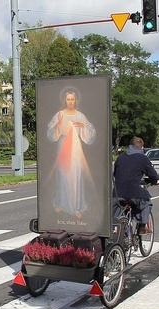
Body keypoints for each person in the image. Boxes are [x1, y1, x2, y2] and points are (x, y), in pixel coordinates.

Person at [47, 87, 96, 219]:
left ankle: (76, 206)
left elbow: (90, 130)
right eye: (68, 99)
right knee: (63, 176)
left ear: (76, 101)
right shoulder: (60, 114)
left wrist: (83, 126)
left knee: (76, 176)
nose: (70, 102)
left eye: (72, 99)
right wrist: (58, 125)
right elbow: (50, 131)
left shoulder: (80, 115)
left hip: (76, 150)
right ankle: (61, 203)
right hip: (63, 148)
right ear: (64, 100)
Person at [113, 136, 159, 234]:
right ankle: (142, 227)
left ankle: (123, 237)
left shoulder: (120, 157)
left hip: (118, 194)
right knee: (147, 202)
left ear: (130, 146)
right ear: (142, 147)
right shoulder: (143, 158)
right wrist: (154, 181)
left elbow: (115, 174)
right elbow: (153, 175)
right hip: (133, 192)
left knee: (118, 214)